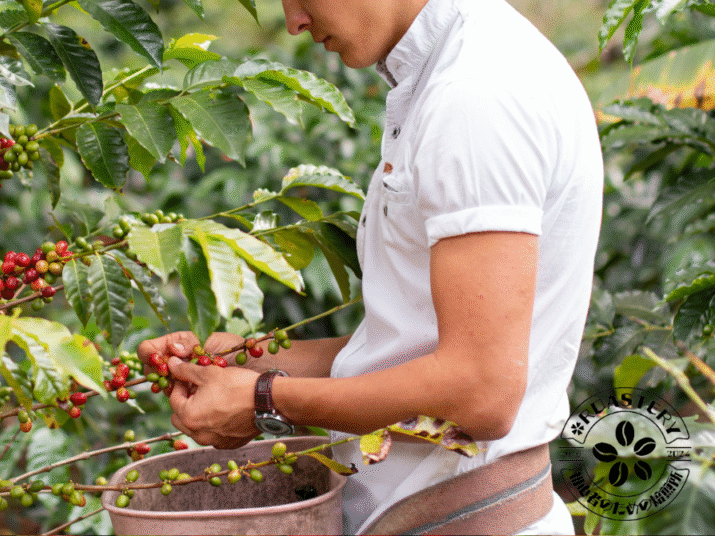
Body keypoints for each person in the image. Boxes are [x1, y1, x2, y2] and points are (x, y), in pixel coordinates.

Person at [137, 0, 602, 533]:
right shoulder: (451, 72)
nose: (294, 22)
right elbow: (411, 352)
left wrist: (267, 400)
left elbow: (480, 393)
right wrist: (248, 364)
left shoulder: (476, 95)